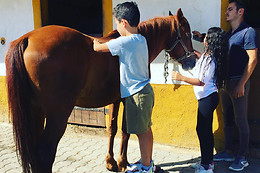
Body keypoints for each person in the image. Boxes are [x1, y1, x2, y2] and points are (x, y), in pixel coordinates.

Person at [193, 0, 258, 171]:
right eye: (226, 9)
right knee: (227, 118)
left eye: (230, 9)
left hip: (238, 81)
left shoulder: (248, 32)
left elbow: (253, 60)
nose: (226, 12)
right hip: (224, 83)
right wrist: (201, 38)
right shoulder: (228, 34)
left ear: (240, 11)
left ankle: (242, 157)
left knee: (241, 120)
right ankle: (228, 151)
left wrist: (242, 83)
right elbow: (217, 46)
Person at [93, 2, 155, 173]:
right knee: (147, 129)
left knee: (141, 133)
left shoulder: (123, 42)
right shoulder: (141, 39)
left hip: (136, 95)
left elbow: (98, 48)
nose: (116, 27)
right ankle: (148, 161)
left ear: (124, 23)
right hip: (146, 91)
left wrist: (94, 40)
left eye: (116, 23)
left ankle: (146, 167)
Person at [172, 27, 228, 173]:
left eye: (206, 37)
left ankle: (207, 166)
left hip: (207, 99)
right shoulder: (207, 56)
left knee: (203, 131)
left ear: (210, 41)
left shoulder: (210, 60)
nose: (203, 38)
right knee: (204, 130)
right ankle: (206, 162)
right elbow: (199, 56)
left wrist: (181, 78)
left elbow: (201, 81)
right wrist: (184, 56)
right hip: (206, 99)